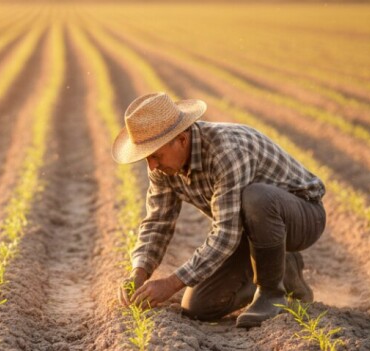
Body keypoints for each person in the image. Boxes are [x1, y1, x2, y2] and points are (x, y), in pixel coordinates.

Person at [113, 93, 326, 328]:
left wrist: (172, 283)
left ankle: (272, 293)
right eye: (146, 157)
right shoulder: (162, 168)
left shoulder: (226, 151)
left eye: (155, 155)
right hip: (248, 231)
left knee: (256, 198)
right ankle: (280, 269)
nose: (151, 165)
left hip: (302, 215)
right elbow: (157, 223)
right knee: (198, 307)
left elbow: (226, 234)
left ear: (182, 140)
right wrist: (139, 272)